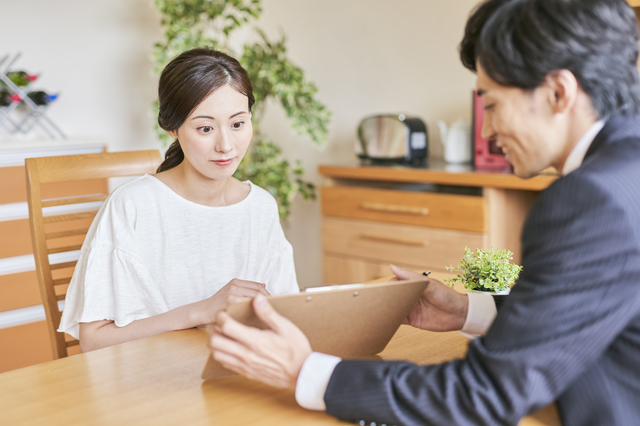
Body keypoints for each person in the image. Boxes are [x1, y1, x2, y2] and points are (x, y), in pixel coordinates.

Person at [208, 0, 640, 424]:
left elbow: (486, 394)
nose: (487, 132)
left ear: (558, 92)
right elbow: (589, 304)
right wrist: (467, 310)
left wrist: (307, 372)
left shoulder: (592, 199)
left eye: (490, 106)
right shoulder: (625, 171)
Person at [58, 48, 299, 352]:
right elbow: (93, 340)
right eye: (205, 128)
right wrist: (200, 311)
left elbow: (287, 315)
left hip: (235, 376)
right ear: (173, 127)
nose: (226, 146)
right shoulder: (132, 206)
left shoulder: (261, 207)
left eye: (238, 124)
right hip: (153, 384)